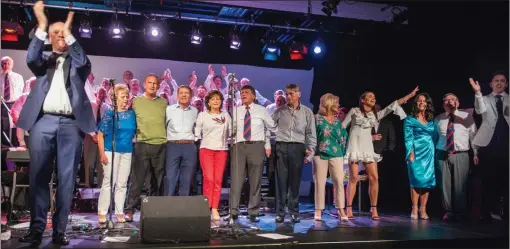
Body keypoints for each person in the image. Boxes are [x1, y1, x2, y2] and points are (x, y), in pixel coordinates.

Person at [17, 2, 94, 245]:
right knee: (39, 176)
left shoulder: (79, 64)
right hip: (43, 122)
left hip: (71, 125)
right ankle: (37, 229)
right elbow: (31, 56)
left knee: (67, 178)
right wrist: (42, 24)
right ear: (49, 38)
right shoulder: (43, 63)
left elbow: (82, 60)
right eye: (57, 34)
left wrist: (70, 33)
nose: (61, 37)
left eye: (65, 33)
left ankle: (60, 231)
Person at [342, 88, 417, 220]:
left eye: (374, 97)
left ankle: (373, 208)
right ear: (363, 100)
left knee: (374, 178)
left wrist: (409, 96)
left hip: (368, 149)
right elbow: (342, 127)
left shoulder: (375, 115)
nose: (373, 98)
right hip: (354, 147)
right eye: (370, 96)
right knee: (353, 178)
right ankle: (348, 208)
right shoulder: (354, 111)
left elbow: (393, 105)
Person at [228, 85, 276, 222]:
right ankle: (233, 211)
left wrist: (267, 143)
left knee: (255, 180)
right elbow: (231, 129)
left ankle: (253, 212)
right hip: (239, 147)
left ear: (254, 96)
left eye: (246, 92)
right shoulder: (236, 111)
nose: (243, 95)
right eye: (242, 93)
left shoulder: (262, 110)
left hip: (256, 146)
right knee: (236, 180)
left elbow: (271, 127)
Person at [124, 74, 167, 222]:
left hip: (160, 144)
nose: (152, 85)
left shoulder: (163, 102)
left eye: (155, 83)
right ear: (144, 84)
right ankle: (129, 210)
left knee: (157, 181)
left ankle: (154, 209)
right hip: (142, 144)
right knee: (137, 180)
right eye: (150, 82)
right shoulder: (136, 102)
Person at [272, 84, 316, 223]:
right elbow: (270, 126)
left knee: (295, 182)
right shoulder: (280, 111)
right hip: (281, 146)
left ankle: (294, 212)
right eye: (287, 94)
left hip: (298, 148)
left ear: (299, 94)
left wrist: (310, 152)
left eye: (291, 93)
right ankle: (280, 212)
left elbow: (311, 133)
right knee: (281, 181)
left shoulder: (307, 112)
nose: (288, 96)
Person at [469, 73, 509, 221]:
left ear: (507, 84)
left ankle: (504, 212)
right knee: (489, 179)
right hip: (489, 145)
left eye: (502, 81)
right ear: (491, 84)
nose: (499, 83)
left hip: (506, 145)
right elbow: (479, 110)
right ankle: (487, 212)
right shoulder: (484, 99)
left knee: (506, 180)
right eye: (496, 81)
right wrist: (478, 93)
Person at [435, 93, 478, 221]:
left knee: (461, 185)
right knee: (444, 184)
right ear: (443, 104)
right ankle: (448, 211)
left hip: (461, 154)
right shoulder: (438, 119)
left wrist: (476, 153)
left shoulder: (467, 116)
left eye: (453, 99)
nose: (450, 101)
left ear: (458, 103)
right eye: (447, 100)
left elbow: (473, 136)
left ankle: (460, 212)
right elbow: (434, 138)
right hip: (442, 153)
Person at [97, 84, 136, 224]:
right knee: (109, 182)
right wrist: (102, 154)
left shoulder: (131, 114)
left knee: (122, 183)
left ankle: (119, 211)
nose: (126, 99)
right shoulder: (109, 114)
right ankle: (102, 212)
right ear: (115, 98)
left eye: (127, 96)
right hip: (110, 151)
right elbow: (100, 135)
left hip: (127, 151)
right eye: (122, 96)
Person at [194, 90, 231, 221]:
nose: (215, 101)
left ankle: (215, 208)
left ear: (221, 102)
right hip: (206, 150)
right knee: (209, 179)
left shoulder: (226, 115)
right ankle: (206, 207)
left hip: (221, 150)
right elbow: (197, 132)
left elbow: (230, 132)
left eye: (218, 99)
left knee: (218, 180)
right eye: (213, 99)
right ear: (208, 102)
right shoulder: (203, 115)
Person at [312, 93, 348, 221]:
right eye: (336, 103)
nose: (338, 106)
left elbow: (344, 137)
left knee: (338, 181)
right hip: (319, 154)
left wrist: (342, 152)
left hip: (336, 153)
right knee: (319, 182)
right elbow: (311, 136)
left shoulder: (338, 121)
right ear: (329, 104)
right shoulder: (316, 118)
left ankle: (341, 209)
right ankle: (318, 210)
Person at [403, 93, 436, 220]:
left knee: (426, 181)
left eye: (424, 101)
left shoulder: (431, 120)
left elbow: (434, 136)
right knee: (416, 180)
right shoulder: (409, 119)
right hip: (416, 151)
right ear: (416, 103)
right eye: (419, 101)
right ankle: (414, 208)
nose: (422, 103)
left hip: (428, 152)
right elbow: (408, 138)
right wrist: (410, 152)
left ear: (427, 104)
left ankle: (423, 209)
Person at [165, 85, 198, 196]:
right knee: (170, 176)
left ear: (191, 96)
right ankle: (168, 204)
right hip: (172, 146)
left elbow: (197, 128)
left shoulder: (195, 111)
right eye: (181, 93)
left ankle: (183, 204)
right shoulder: (169, 110)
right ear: (177, 95)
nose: (184, 95)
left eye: (187, 93)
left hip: (189, 146)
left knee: (187, 177)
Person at [0, 56, 24, 169]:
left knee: (16, 125)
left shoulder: (18, 77)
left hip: (15, 103)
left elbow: (22, 90)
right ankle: (5, 147)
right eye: (3, 63)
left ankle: (16, 146)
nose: (5, 65)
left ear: (12, 64)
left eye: (8, 63)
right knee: (4, 126)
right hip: (3, 104)